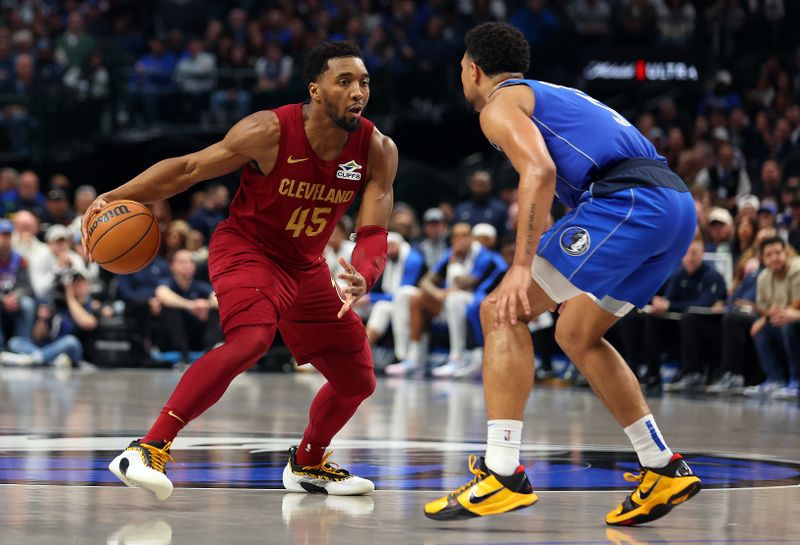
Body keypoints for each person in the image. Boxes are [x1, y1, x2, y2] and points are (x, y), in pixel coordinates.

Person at [83, 41, 398, 500]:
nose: (358, 92)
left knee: (358, 379)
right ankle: (148, 447)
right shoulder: (269, 130)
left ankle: (309, 462)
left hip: (305, 268)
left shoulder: (376, 149)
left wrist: (364, 275)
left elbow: (373, 232)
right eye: (344, 81)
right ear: (315, 89)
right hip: (247, 250)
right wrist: (114, 196)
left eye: (364, 82)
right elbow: (189, 169)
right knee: (251, 339)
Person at [425, 23, 701, 526]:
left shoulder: (500, 104)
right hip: (675, 206)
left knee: (499, 310)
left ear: (472, 70)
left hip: (629, 202)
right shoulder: (554, 94)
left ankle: (502, 472)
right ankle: (662, 466)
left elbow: (539, 172)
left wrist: (522, 266)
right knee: (577, 333)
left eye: (461, 71)